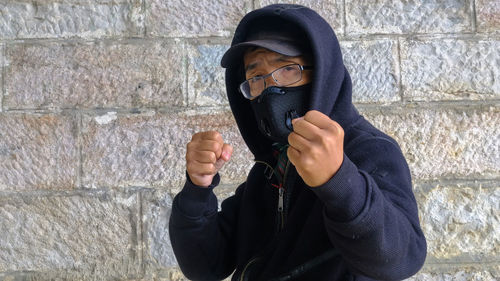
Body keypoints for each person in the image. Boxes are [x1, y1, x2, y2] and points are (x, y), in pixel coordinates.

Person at [169, 4, 427, 281]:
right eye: (255, 77)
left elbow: (402, 259)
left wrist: (338, 180)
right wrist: (197, 189)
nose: (269, 87)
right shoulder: (271, 167)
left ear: (322, 74)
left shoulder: (369, 150)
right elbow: (205, 266)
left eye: (288, 68)